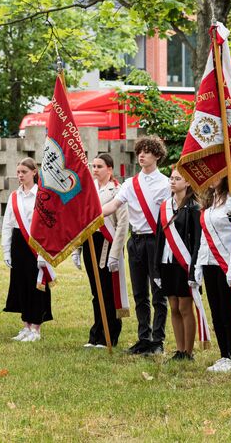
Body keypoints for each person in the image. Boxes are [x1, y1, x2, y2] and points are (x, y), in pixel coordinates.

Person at [102, 137, 170, 355]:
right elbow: (114, 205)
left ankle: (158, 340)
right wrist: (92, 214)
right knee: (140, 293)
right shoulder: (130, 183)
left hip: (156, 240)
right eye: (140, 151)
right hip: (136, 241)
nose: (142, 155)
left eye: (148, 152)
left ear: (157, 156)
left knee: (159, 292)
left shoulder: (165, 183)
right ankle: (144, 337)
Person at [194, 174, 231, 373]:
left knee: (227, 311)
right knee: (216, 311)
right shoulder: (210, 203)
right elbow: (203, 238)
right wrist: (198, 265)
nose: (211, 178)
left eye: (217, 175)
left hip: (225, 263)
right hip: (209, 261)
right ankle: (223, 354)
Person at [74, 153, 129, 348]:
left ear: (110, 169)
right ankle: (96, 333)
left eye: (99, 166)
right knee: (96, 292)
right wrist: (76, 249)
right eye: (94, 166)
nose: (95, 170)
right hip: (91, 242)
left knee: (108, 291)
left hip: (108, 243)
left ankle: (110, 334)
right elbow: (81, 222)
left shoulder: (117, 191)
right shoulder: (88, 190)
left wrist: (116, 253)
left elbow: (122, 224)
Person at [2, 158, 52, 342]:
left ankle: (36, 328)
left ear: (34, 172)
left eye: (24, 171)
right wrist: (6, 251)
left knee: (36, 286)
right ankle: (26, 325)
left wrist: (44, 252)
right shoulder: (14, 196)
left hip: (36, 244)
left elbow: (48, 226)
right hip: (18, 243)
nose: (20, 175)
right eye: (18, 172)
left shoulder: (42, 195)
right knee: (20, 284)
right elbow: (7, 224)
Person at [155, 167, 202, 362]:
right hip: (167, 262)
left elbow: (198, 241)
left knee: (185, 307)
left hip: (184, 264)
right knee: (173, 306)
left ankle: (188, 352)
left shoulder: (194, 207)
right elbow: (159, 238)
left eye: (177, 179)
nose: (173, 182)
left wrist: (194, 271)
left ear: (188, 182)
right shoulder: (165, 206)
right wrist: (156, 268)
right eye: (171, 178)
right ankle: (179, 349)